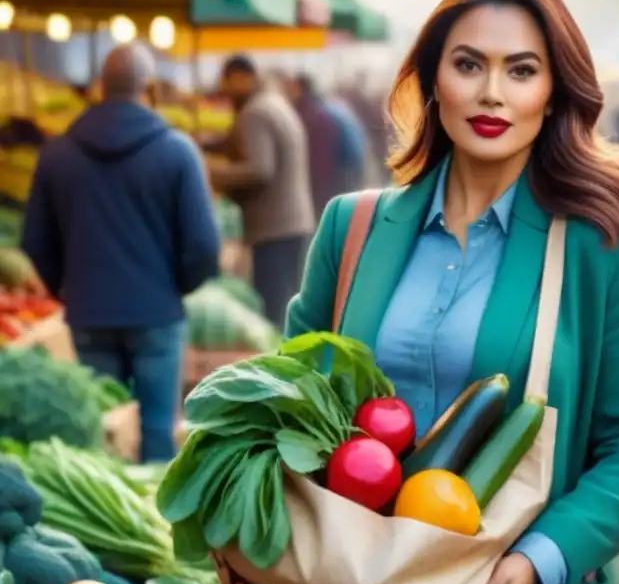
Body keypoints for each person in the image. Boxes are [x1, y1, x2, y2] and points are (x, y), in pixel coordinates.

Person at [214, 0, 619, 584]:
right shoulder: (353, 229)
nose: (492, 92)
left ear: (554, 90)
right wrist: (248, 528)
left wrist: (542, 559)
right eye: (469, 64)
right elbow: (284, 412)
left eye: (521, 70)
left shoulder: (606, 242)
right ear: (434, 78)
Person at [20, 43, 221, 461]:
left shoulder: (57, 153)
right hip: (157, 314)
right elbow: (203, 245)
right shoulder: (177, 151)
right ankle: (156, 523)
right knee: (157, 433)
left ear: (99, 88)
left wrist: (69, 287)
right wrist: (174, 287)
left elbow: (35, 241)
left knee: (101, 428)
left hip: (88, 313)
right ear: (147, 88)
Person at [208, 55, 315, 330]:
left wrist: (211, 173)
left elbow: (259, 169)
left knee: (273, 310)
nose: (224, 90)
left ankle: (279, 369)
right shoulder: (274, 102)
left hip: (273, 227)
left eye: (227, 82)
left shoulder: (254, 113)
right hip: (293, 222)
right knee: (287, 305)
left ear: (242, 78)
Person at [284, 72, 368, 218]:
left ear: (299, 89)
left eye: (290, 87)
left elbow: (319, 162)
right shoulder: (330, 108)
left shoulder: (312, 116)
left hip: (332, 183)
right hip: (347, 174)